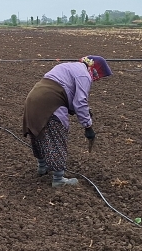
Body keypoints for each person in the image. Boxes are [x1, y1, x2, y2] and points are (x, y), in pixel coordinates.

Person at [23, 55, 112, 187]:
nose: (97, 79)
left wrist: (80, 110)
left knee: (39, 133)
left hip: (33, 98)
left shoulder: (66, 66)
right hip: (51, 102)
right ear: (95, 69)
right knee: (57, 136)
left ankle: (42, 167)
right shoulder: (84, 75)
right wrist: (88, 127)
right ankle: (58, 179)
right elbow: (80, 102)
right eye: (99, 75)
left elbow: (66, 92)